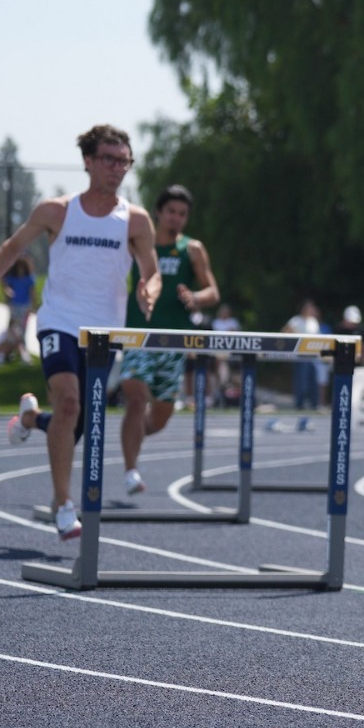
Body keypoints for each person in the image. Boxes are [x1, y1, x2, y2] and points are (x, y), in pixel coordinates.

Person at [0, 124, 159, 542]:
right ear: (88, 162)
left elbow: (152, 270)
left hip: (106, 333)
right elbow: (12, 247)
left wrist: (148, 289)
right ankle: (63, 505)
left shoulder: (136, 220)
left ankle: (32, 418)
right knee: (70, 403)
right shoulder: (57, 211)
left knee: (77, 423)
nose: (117, 168)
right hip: (59, 322)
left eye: (124, 160)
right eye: (109, 159)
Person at [116, 185, 220, 498]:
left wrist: (195, 297)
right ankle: (130, 470)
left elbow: (213, 291)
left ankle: (131, 438)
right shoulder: (135, 244)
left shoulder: (192, 249)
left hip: (174, 343)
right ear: (158, 212)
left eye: (182, 214)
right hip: (139, 336)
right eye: (171, 212)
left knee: (159, 418)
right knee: (136, 396)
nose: (176, 219)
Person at [0, 258, 37, 365]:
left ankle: (22, 351)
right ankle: (20, 352)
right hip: (14, 306)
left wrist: (32, 306)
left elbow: (32, 293)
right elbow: (4, 282)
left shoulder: (29, 279)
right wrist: (7, 291)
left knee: (22, 330)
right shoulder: (12, 278)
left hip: (25, 307)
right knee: (13, 329)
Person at [284, 299, 323, 409]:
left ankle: (314, 403)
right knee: (301, 381)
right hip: (300, 355)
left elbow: (318, 337)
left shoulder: (313, 321)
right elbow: (285, 331)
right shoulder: (296, 320)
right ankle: (299, 404)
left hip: (313, 356)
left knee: (314, 380)